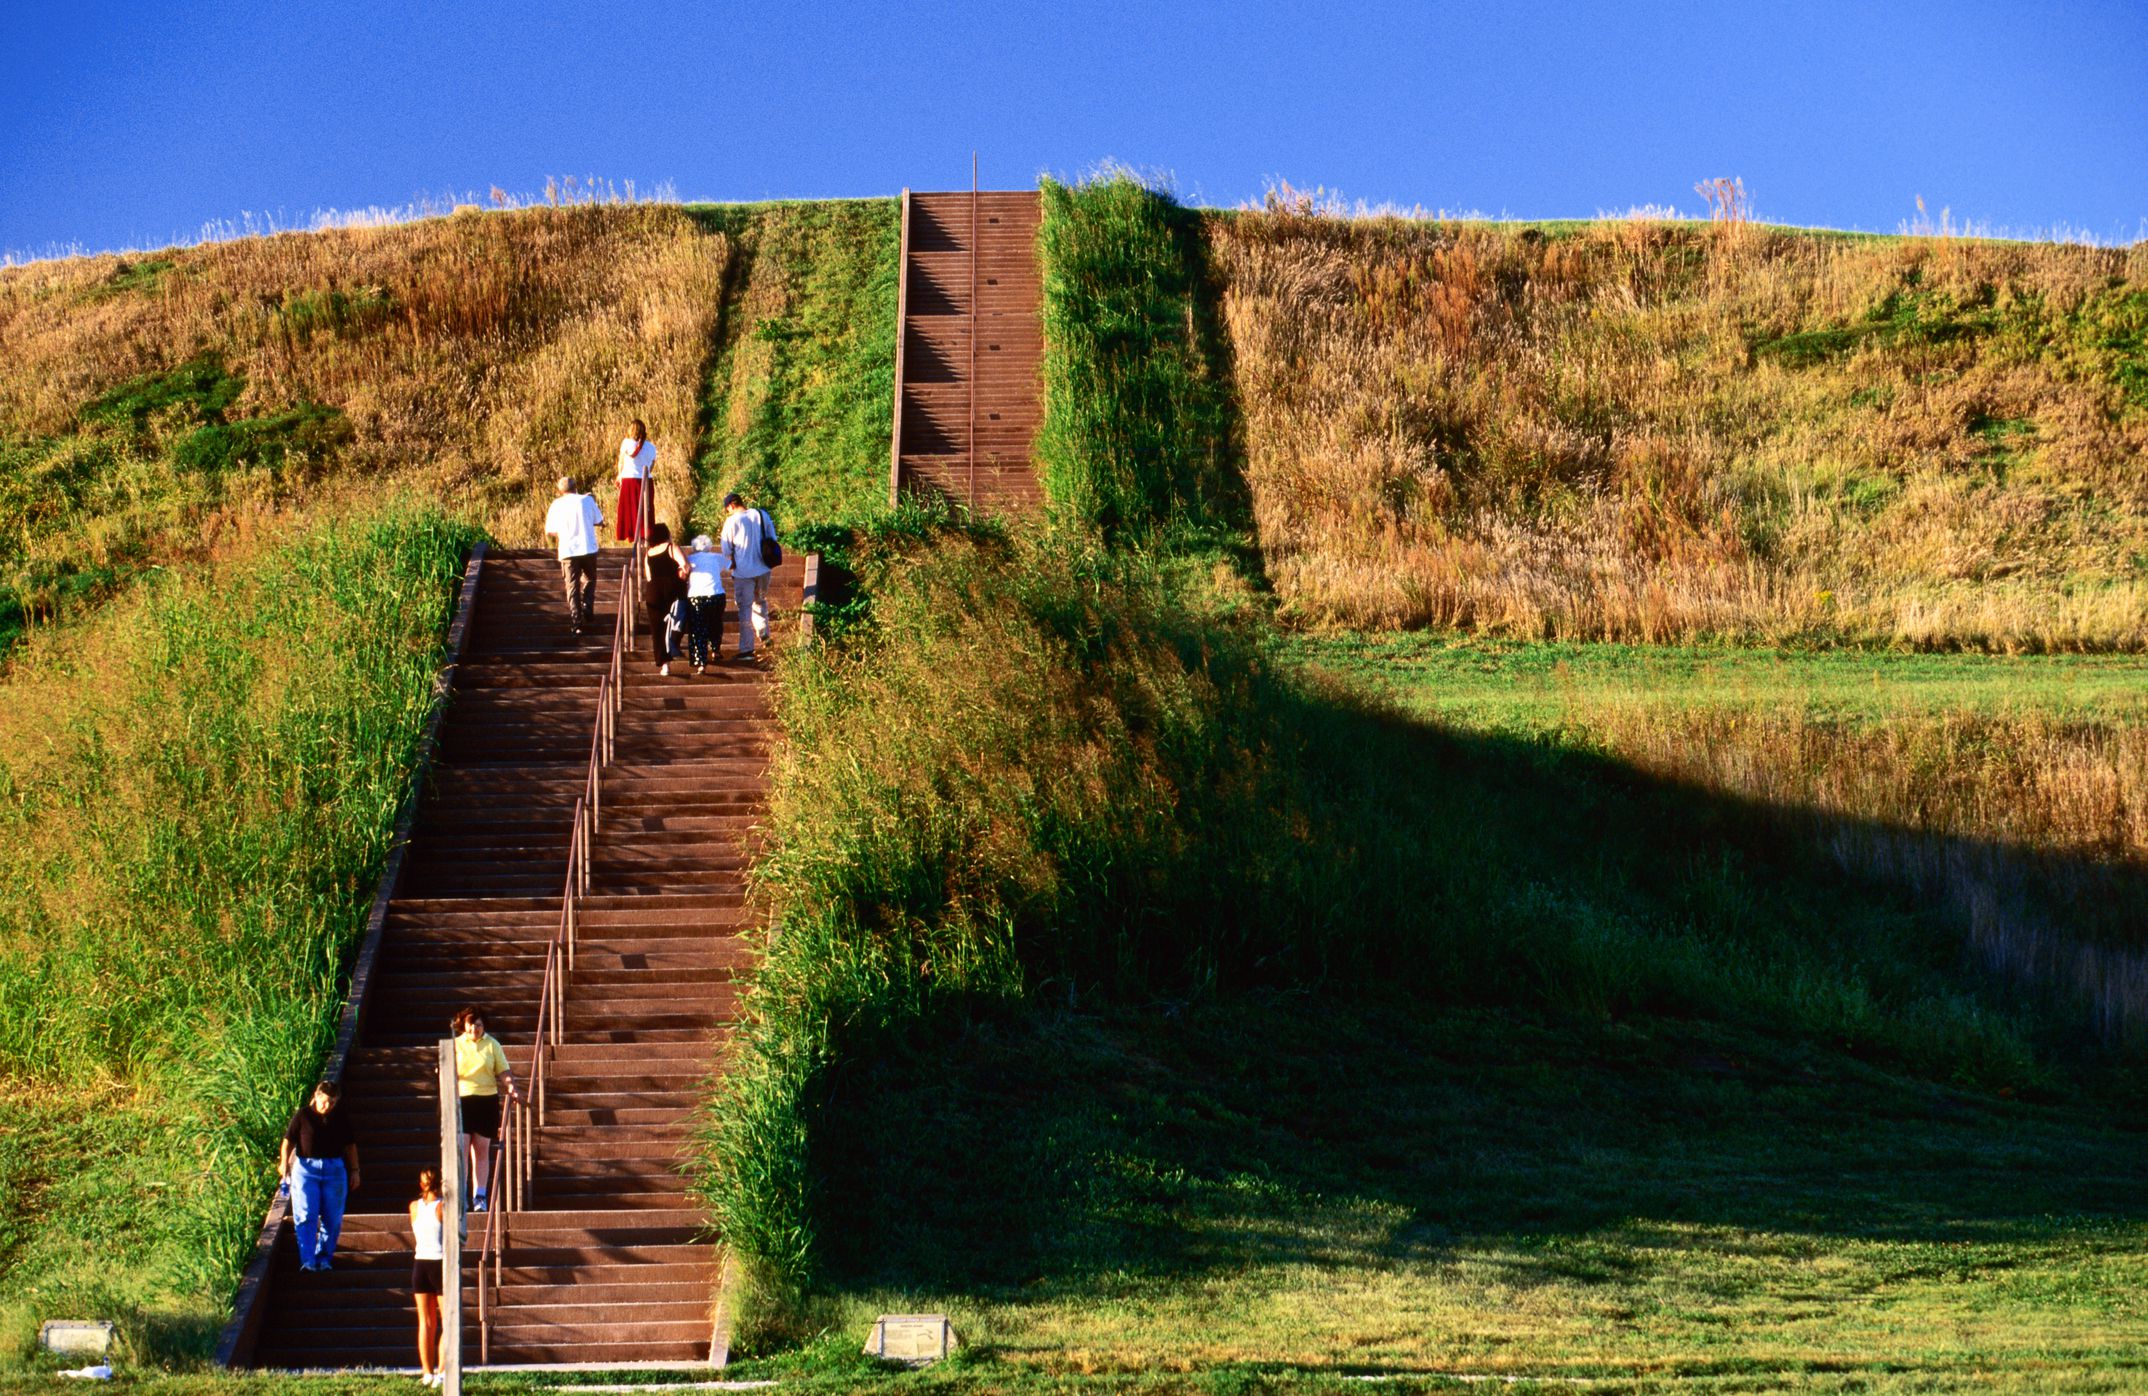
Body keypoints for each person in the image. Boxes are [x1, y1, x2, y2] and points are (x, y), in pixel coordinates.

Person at [280, 1080, 360, 1272]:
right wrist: (283, 1163)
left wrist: (355, 1171)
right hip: (306, 1169)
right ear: (316, 1096)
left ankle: (324, 1257)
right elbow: (288, 1141)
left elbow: (350, 1145)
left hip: (334, 1169)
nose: (327, 1106)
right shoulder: (303, 1115)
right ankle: (308, 1259)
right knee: (306, 1213)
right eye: (324, 1101)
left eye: (332, 1102)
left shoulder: (339, 1117)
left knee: (332, 1217)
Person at [450, 1007, 521, 1212]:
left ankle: (479, 1196)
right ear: (463, 1024)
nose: (475, 1028)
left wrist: (512, 1089)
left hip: (486, 1101)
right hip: (462, 1100)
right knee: (462, 1149)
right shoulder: (455, 1045)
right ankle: (461, 1196)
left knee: (481, 1150)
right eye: (471, 1024)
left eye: (479, 1024)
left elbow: (503, 1071)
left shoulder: (492, 1044)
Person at [718, 492, 778, 661]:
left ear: (730, 506)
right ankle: (764, 633)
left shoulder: (731, 521)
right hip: (764, 569)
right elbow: (773, 538)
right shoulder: (761, 514)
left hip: (743, 573)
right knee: (760, 602)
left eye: (726, 509)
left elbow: (726, 550)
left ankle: (746, 650)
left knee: (745, 609)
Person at [543, 475, 604, 633]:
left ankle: (576, 622)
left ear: (560, 490)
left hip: (568, 550)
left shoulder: (556, 505)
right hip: (588, 548)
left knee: (572, 585)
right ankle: (587, 605)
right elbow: (599, 519)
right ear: (576, 486)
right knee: (590, 578)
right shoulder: (587, 500)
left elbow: (550, 530)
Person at [410, 1169, 446, 1387]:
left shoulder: (414, 1207)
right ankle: (441, 1371)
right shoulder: (443, 1207)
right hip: (440, 1262)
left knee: (425, 1321)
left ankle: (427, 1372)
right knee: (448, 1322)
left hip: (420, 1263)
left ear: (422, 1184)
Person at [642, 523, 690, 677]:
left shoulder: (648, 553)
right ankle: (675, 645)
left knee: (657, 629)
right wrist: (683, 576)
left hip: (653, 591)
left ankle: (664, 664)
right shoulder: (671, 547)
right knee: (679, 617)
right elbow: (685, 566)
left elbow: (648, 576)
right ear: (666, 534)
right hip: (672, 588)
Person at [684, 533, 725, 675]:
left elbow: (684, 571)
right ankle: (715, 650)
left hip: (696, 597)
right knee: (715, 623)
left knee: (698, 630)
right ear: (709, 547)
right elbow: (731, 564)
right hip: (716, 594)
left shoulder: (689, 559)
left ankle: (701, 662)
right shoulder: (716, 557)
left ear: (694, 547)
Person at [616, 419, 656, 543]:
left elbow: (621, 461)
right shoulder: (651, 446)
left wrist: (619, 475)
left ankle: (632, 535)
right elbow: (652, 464)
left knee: (630, 509)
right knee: (645, 508)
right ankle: (645, 535)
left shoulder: (627, 442)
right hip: (646, 479)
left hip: (630, 479)